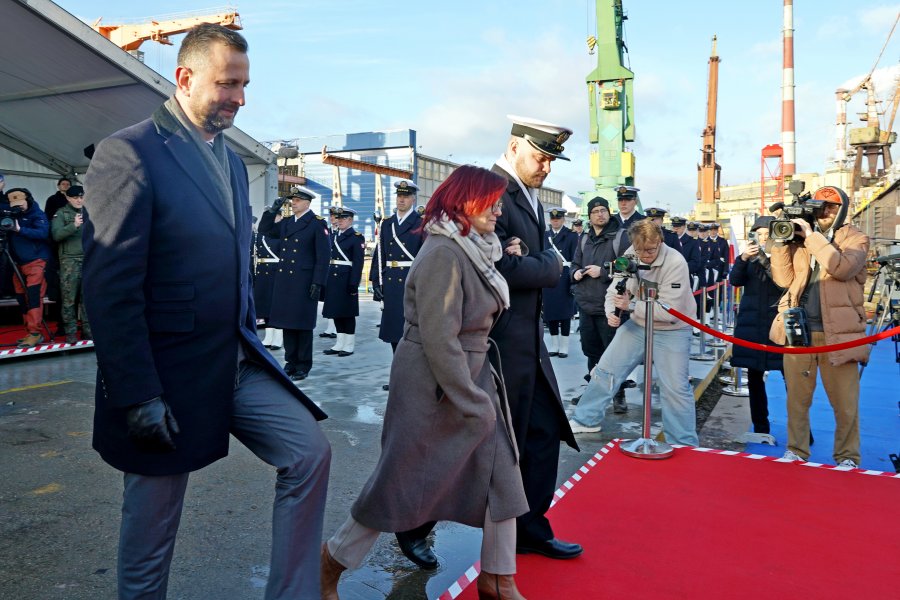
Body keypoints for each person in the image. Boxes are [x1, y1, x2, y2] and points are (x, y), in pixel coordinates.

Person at [82, 24, 330, 600]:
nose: (239, 98)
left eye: (244, 85)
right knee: (152, 533)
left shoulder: (233, 162)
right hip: (165, 376)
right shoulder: (129, 154)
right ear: (185, 77)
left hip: (235, 359)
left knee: (309, 454)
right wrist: (137, 394)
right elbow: (110, 290)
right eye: (227, 84)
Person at [321, 165, 529, 600]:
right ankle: (330, 562)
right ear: (465, 202)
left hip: (470, 373)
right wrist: (470, 399)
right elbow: (439, 337)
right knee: (399, 481)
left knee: (502, 474)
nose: (498, 210)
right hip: (433, 383)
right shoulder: (444, 252)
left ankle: (498, 578)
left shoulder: (477, 248)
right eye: (490, 202)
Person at [490, 115, 580, 560]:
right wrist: (550, 265)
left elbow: (530, 260)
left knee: (541, 432)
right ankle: (413, 522)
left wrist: (538, 261)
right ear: (513, 147)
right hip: (499, 343)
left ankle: (530, 529)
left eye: (551, 160)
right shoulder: (491, 191)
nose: (546, 167)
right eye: (540, 157)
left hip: (528, 341)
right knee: (480, 442)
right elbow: (500, 266)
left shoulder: (530, 196)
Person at [569, 219, 699, 446]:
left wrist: (629, 306)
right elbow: (615, 288)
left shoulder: (675, 262)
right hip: (639, 323)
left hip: (673, 329)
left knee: (675, 388)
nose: (645, 256)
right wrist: (611, 311)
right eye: (640, 250)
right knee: (605, 370)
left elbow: (669, 311)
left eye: (650, 250)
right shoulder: (631, 254)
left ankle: (683, 442)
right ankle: (586, 419)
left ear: (660, 241)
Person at [768, 186, 870, 468]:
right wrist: (781, 243)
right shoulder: (801, 240)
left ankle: (847, 456)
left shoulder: (856, 239)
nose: (825, 212)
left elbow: (841, 269)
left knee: (845, 403)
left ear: (843, 210)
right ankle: (796, 449)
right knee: (797, 400)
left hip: (840, 334)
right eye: (821, 206)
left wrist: (812, 237)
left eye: (832, 207)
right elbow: (783, 279)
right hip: (798, 330)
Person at [258, 186, 331, 381]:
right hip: (285, 281)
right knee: (287, 323)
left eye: (297, 200)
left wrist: (318, 282)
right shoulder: (288, 222)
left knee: (302, 325)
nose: (293, 203)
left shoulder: (316, 223)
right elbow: (265, 230)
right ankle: (290, 362)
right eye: (292, 200)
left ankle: (303, 365)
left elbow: (323, 256)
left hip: (304, 281)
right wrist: (272, 211)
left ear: (307, 203)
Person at [729, 216, 783, 440]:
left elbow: (783, 283)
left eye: (767, 234)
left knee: (793, 380)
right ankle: (760, 426)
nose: (763, 238)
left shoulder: (784, 255)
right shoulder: (748, 258)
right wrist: (743, 258)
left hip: (778, 324)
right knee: (754, 378)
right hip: (752, 323)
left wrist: (766, 259)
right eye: (759, 234)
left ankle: (801, 430)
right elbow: (735, 280)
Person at [369, 180, 425, 387]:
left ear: (413, 199)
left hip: (411, 282)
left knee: (411, 333)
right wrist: (376, 280)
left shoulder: (421, 224)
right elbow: (380, 253)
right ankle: (398, 377)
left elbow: (426, 256)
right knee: (395, 333)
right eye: (399, 196)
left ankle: (412, 378)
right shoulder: (387, 224)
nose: (401, 199)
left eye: (406, 196)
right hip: (391, 283)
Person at [570, 196, 622, 394]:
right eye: (595, 212)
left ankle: (618, 395)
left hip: (609, 307)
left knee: (613, 353)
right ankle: (593, 392)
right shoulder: (584, 238)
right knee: (591, 352)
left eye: (603, 210)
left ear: (609, 212)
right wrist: (575, 273)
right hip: (586, 305)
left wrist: (603, 271)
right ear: (589, 216)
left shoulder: (620, 237)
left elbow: (627, 266)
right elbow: (575, 263)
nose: (600, 215)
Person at [2, 187, 51, 348]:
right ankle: (30, 332)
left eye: (20, 203)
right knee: (21, 298)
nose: (18, 207)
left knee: (34, 297)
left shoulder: (37, 214)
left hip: (36, 261)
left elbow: (43, 233)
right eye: (14, 204)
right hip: (18, 263)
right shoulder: (12, 216)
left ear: (28, 200)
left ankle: (35, 333)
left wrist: (19, 229)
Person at [50, 184, 91, 343]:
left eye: (81, 197)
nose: (79, 200)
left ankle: (88, 330)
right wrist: (74, 225)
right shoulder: (61, 214)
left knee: (87, 299)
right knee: (69, 299)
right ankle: (71, 332)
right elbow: (56, 235)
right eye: (75, 197)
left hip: (88, 259)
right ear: (67, 198)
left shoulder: (89, 212)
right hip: (69, 261)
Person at [322, 207, 365, 357]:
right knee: (336, 312)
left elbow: (358, 263)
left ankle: (349, 345)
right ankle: (339, 343)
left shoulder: (356, 237)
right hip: (333, 279)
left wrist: (354, 283)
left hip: (346, 279)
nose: (339, 221)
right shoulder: (333, 236)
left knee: (347, 314)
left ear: (350, 220)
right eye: (338, 218)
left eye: (343, 218)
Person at [543, 207, 578, 358]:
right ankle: (554, 345)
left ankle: (564, 346)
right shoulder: (545, 235)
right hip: (549, 275)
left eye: (558, 219)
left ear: (563, 219)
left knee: (564, 313)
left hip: (565, 275)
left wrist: (572, 279)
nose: (555, 221)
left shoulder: (571, 235)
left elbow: (575, 257)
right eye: (553, 219)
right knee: (550, 311)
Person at [253, 215, 283, 349]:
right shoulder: (260, 235)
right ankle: (269, 336)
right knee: (264, 306)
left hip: (275, 272)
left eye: (275, 216)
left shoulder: (281, 233)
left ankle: (278, 337)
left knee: (276, 306)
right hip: (262, 272)